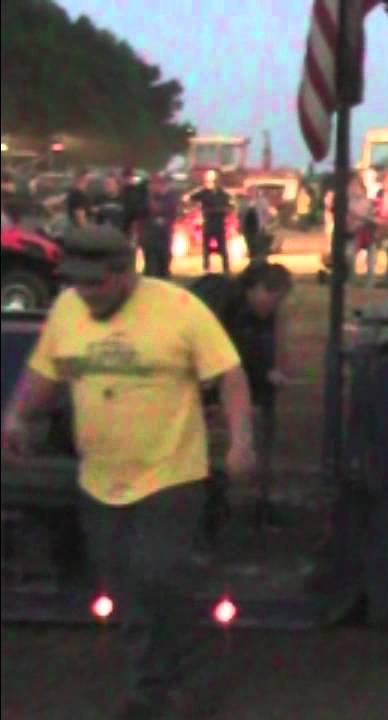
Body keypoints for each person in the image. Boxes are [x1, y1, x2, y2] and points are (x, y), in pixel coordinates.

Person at [1, 224, 255, 719]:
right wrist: (17, 416)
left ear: (125, 273)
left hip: (169, 476)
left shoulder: (179, 310)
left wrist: (241, 441)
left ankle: (192, 682)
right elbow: (43, 376)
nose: (84, 293)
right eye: (76, 282)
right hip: (101, 478)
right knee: (125, 588)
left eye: (95, 284)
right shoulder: (67, 311)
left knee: (161, 575)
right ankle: (148, 689)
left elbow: (231, 375)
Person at [202, 262, 296, 530]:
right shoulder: (224, 308)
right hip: (218, 389)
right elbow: (229, 357)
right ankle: (212, 507)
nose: (274, 307)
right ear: (254, 289)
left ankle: (257, 503)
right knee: (216, 449)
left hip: (255, 387)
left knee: (255, 446)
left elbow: (271, 346)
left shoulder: (261, 314)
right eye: (272, 297)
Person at [187, 170, 233, 274]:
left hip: (219, 222)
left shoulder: (222, 193)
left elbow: (230, 205)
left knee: (222, 247)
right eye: (210, 181)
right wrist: (195, 209)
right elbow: (190, 198)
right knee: (206, 248)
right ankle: (206, 268)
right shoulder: (203, 192)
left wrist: (225, 210)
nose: (212, 183)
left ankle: (226, 268)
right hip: (208, 222)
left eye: (214, 181)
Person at [141, 174, 179, 278]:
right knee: (150, 267)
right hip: (150, 238)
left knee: (164, 267)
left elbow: (167, 212)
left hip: (164, 238)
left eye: (159, 184)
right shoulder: (146, 199)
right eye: (153, 184)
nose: (155, 187)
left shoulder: (170, 198)